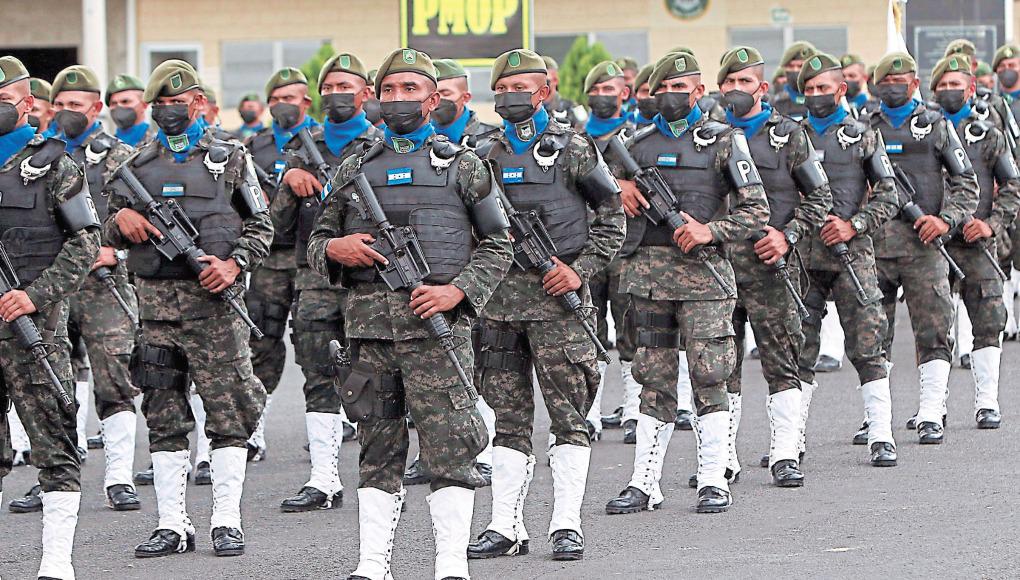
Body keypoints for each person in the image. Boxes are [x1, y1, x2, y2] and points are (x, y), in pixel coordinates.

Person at [308, 47, 513, 580]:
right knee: (378, 447)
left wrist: (458, 293)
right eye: (390, 90)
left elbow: (499, 244)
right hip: (370, 332)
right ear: (376, 97)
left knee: (450, 449)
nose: (399, 99)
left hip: (438, 331)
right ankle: (373, 564)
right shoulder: (355, 165)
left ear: (433, 97)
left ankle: (450, 565)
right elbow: (316, 240)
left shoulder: (465, 165)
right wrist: (336, 250)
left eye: (411, 89)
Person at [103, 59, 272, 558]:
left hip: (215, 308)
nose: (171, 112)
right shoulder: (132, 164)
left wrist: (236, 265)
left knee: (228, 413)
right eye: (162, 105)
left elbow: (262, 227)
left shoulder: (232, 158)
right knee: (164, 413)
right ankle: (172, 523)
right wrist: (124, 220)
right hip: (155, 311)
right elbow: (104, 227)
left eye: (179, 103)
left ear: (198, 102)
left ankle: (225, 519)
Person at [469, 50, 624, 563]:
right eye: (505, 86)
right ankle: (505, 525)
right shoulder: (479, 152)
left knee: (569, 418)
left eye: (524, 87)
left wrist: (580, 270)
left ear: (545, 92)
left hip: (561, 305)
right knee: (507, 418)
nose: (514, 95)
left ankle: (566, 524)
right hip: (498, 306)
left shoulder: (575, 149)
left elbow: (612, 217)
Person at [604, 50, 769, 516]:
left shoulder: (724, 142)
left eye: (682, 89)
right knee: (651, 378)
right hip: (648, 279)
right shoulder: (636, 144)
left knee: (710, 377)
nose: (673, 97)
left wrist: (709, 231)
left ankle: (714, 478)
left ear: (699, 92)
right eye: (664, 91)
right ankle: (644, 483)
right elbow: (595, 187)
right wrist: (620, 186)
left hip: (705, 279)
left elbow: (756, 210)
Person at [0, 54, 101, 580]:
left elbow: (86, 243)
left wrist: (36, 296)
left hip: (32, 329)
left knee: (53, 442)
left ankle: (56, 562)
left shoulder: (56, 164)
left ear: (27, 105)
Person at [715, 46, 831, 487]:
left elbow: (819, 198)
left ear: (763, 88)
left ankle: (785, 452)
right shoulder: (707, 135)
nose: (736, 90)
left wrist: (789, 236)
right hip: (718, 267)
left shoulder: (789, 134)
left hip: (773, 264)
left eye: (745, 82)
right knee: (719, 365)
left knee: (782, 359)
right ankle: (722, 457)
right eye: (729, 82)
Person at [271, 52, 382, 512]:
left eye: (346, 86)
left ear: (366, 93)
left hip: (372, 276)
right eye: (330, 87)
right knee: (317, 374)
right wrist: (287, 178)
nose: (337, 94)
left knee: (375, 373)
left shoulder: (383, 143)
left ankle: (378, 475)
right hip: (315, 275)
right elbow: (276, 226)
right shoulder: (303, 146)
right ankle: (323, 478)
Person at [867, 51, 979, 444]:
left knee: (933, 330)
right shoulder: (865, 128)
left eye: (902, 82)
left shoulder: (937, 127)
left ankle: (931, 410)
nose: (894, 88)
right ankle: (876, 417)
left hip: (925, 244)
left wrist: (945, 220)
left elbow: (967, 183)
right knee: (871, 336)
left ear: (915, 85)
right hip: (874, 246)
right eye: (887, 83)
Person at [796, 52, 900, 466]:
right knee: (796, 349)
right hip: (803, 257)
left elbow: (890, 195)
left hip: (851, 255)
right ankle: (790, 441)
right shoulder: (792, 136)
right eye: (809, 89)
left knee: (868, 345)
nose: (816, 95)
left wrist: (854, 224)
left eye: (824, 88)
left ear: (841, 90)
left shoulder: (863, 135)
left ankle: (880, 433)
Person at [50, 65, 142, 510]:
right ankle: (58, 472)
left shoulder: (120, 157)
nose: (68, 112)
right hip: (50, 286)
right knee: (52, 379)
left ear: (96, 108)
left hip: (104, 284)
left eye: (76, 105)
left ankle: (119, 476)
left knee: (114, 376)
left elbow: (148, 221)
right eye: (61, 105)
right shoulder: (38, 157)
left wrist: (118, 253)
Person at [931, 53, 1019, 429]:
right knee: (932, 326)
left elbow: (1012, 186)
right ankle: (933, 407)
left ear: (971, 89)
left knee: (988, 321)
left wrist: (992, 226)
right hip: (931, 243)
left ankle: (986, 401)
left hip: (977, 240)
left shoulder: (988, 135)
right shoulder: (923, 133)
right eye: (943, 86)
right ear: (933, 91)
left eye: (957, 85)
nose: (950, 91)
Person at [243, 67, 319, 461]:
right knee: (262, 340)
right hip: (270, 257)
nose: (283, 105)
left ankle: (330, 421)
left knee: (316, 342)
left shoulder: (319, 143)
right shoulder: (253, 147)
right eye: (277, 99)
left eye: (291, 98)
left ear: (306, 102)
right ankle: (255, 426)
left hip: (313, 257)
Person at [579, 59, 633, 444]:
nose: (601, 97)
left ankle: (634, 410)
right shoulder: (576, 139)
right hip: (585, 249)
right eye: (595, 91)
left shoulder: (637, 137)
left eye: (608, 90)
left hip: (628, 248)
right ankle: (590, 414)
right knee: (589, 333)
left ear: (624, 93)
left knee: (632, 332)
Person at [431, 59, 500, 151]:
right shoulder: (416, 140)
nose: (437, 100)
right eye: (431, 95)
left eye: (445, 94)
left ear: (465, 98)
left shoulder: (491, 141)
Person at [107, 73, 156, 147]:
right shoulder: (105, 147)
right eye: (113, 103)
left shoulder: (157, 145)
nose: (119, 107)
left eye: (125, 101)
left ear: (144, 104)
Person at [771, 41, 817, 120]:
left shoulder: (823, 100)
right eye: (791, 66)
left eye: (800, 66)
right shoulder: (776, 103)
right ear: (785, 68)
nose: (795, 70)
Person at [542, 55, 585, 128]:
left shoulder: (573, 107)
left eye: (544, 81)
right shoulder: (528, 109)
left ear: (555, 80)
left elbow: (586, 132)